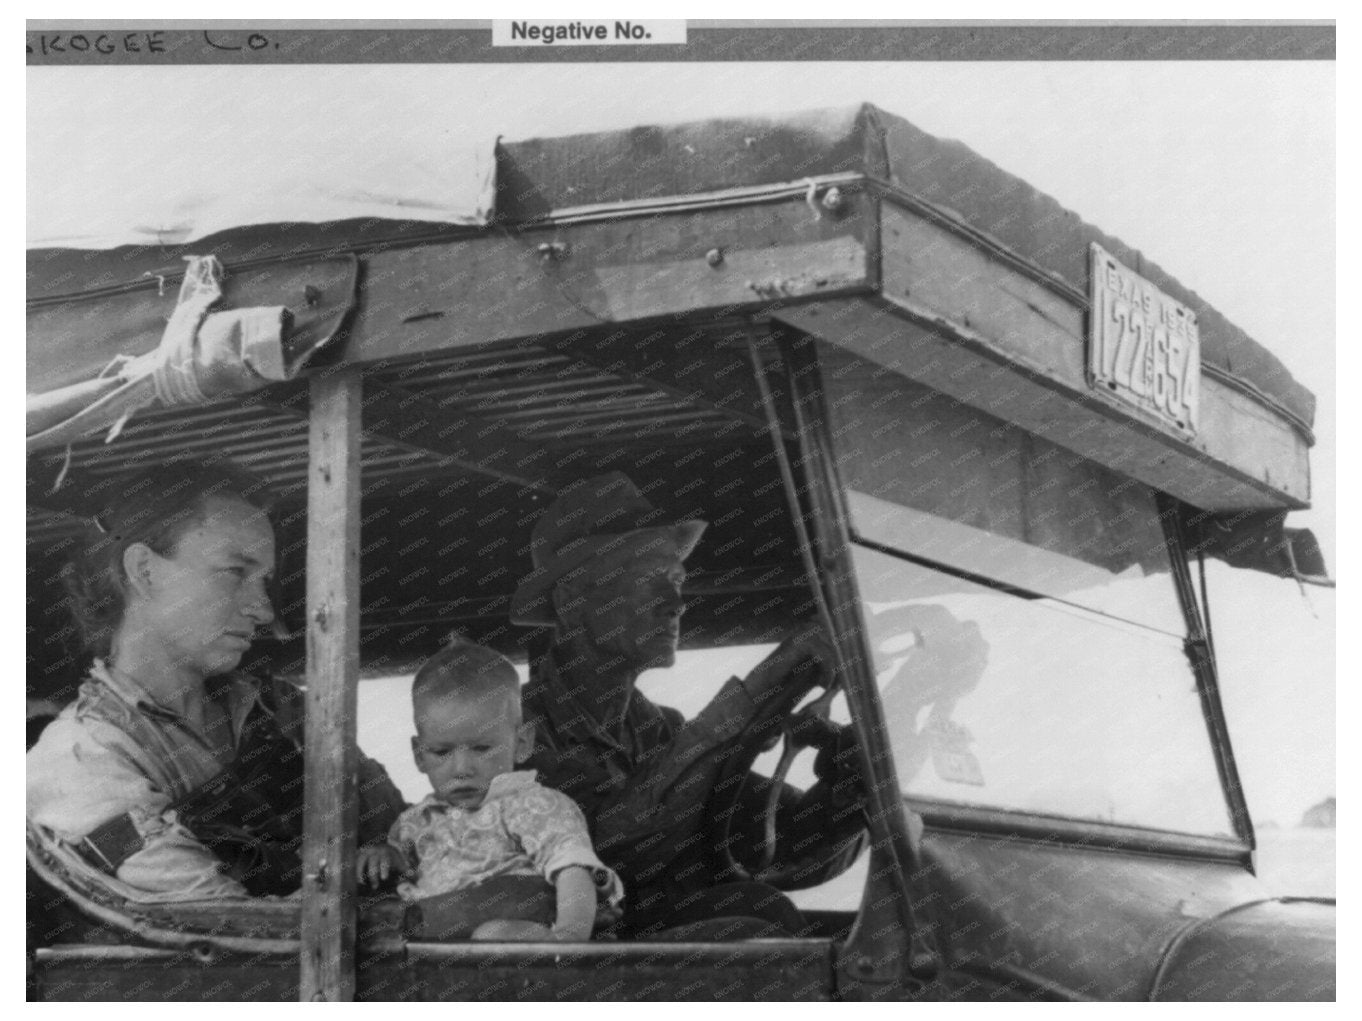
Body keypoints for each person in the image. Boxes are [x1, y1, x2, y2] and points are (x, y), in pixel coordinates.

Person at [26, 460, 405, 900]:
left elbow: (405, 832)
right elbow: (224, 924)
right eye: (235, 572)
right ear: (144, 571)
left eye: (264, 581)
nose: (263, 609)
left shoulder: (279, 708)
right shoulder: (80, 761)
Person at [509, 472, 867, 938]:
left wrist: (852, 785)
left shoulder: (660, 731)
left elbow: (777, 845)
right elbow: (614, 851)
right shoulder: (514, 733)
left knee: (762, 910)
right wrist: (764, 686)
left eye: (676, 580)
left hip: (649, 956)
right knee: (752, 925)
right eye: (649, 579)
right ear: (571, 599)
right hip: (577, 965)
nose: (675, 603)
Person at [358, 642, 623, 941]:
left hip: (516, 937)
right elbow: (405, 870)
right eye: (441, 752)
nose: (462, 768)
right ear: (419, 755)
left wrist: (569, 938)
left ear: (521, 743)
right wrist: (386, 856)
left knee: (492, 934)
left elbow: (572, 869)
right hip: (437, 946)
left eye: (482, 748)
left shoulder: (534, 805)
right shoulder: (415, 822)